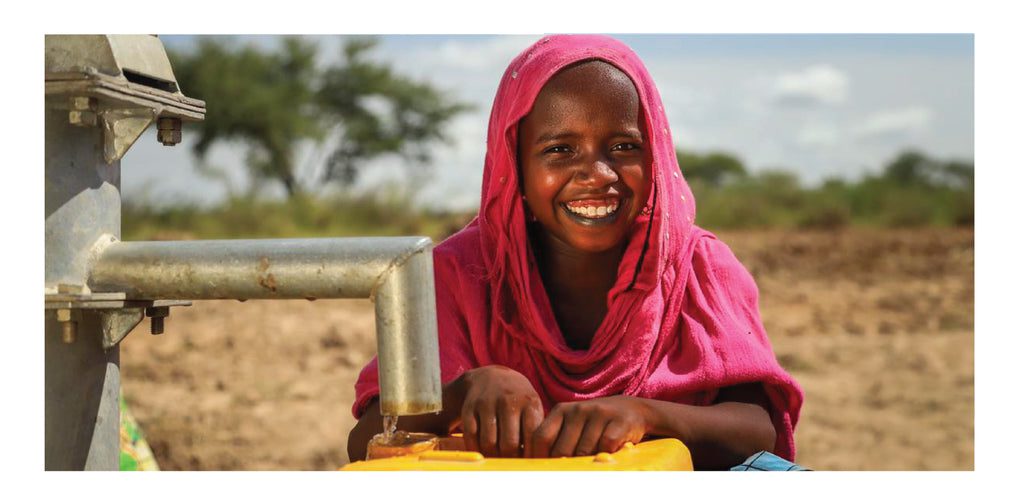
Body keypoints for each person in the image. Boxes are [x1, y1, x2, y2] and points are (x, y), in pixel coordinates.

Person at [347, 34, 804, 470]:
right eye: (560, 149)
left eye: (624, 146)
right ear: (515, 167)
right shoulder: (455, 276)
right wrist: (461, 393)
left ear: (656, 156)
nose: (597, 173)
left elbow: (757, 428)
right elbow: (365, 440)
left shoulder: (696, 267)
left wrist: (645, 415)